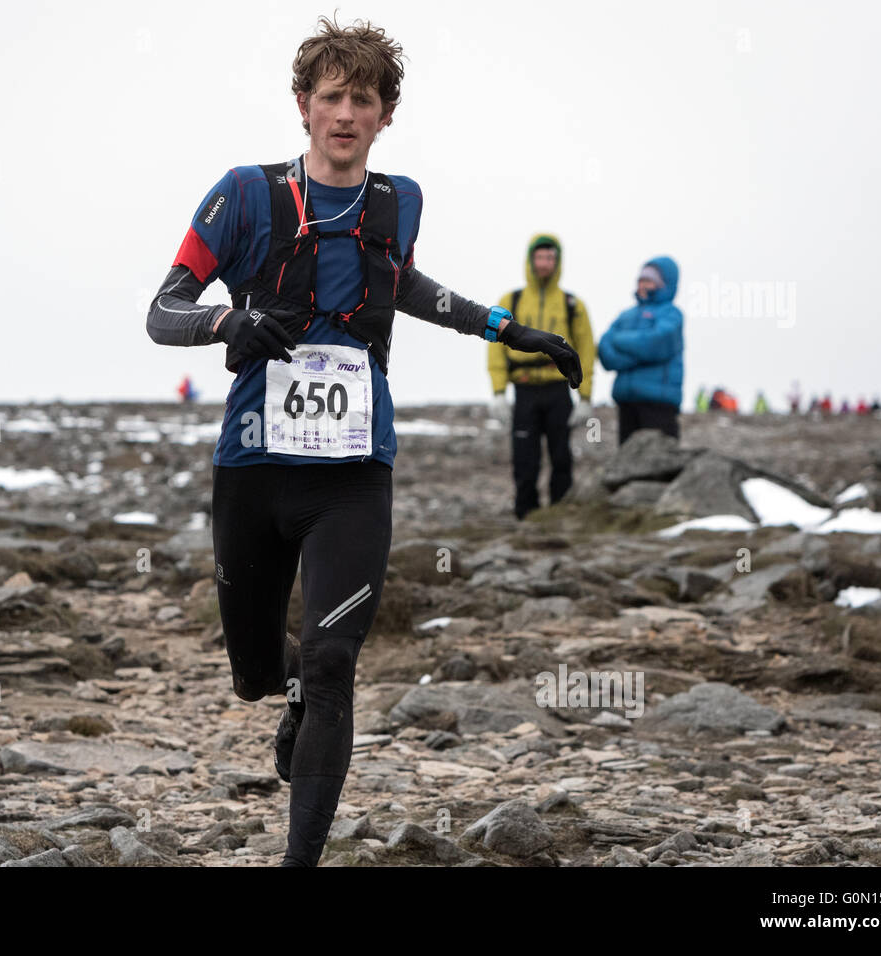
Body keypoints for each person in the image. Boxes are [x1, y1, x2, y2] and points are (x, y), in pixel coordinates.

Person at [144, 15, 580, 868]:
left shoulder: (397, 201)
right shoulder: (245, 194)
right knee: (257, 672)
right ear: (303, 105)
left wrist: (508, 327)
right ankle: (291, 687)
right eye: (333, 96)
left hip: (354, 470)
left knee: (339, 658)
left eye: (365, 99)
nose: (347, 113)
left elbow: (402, 281)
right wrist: (225, 321)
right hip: (253, 468)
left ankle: (299, 861)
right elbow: (162, 310)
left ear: (387, 115)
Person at [486, 234, 595, 518]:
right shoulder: (511, 300)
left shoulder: (573, 305)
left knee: (561, 456)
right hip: (523, 392)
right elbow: (495, 349)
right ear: (530, 261)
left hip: (559, 390)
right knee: (525, 457)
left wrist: (585, 397)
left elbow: (586, 349)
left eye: (550, 258)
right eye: (540, 257)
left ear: (557, 262)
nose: (545, 263)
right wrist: (498, 393)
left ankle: (560, 515)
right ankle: (526, 515)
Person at [597, 257, 683, 443]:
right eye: (641, 279)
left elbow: (655, 344)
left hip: (659, 405)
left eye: (650, 280)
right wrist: (640, 353)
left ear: (665, 284)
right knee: (628, 463)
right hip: (626, 403)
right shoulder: (625, 315)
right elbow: (604, 349)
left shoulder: (672, 314)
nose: (643, 284)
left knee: (661, 464)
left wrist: (620, 341)